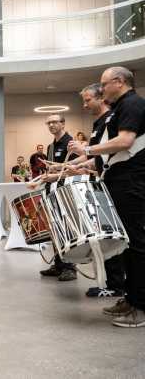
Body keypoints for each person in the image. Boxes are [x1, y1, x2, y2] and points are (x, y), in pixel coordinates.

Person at [69, 67, 145, 328]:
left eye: (104, 85)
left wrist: (86, 148)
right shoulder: (122, 107)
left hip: (132, 183)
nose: (101, 90)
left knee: (136, 245)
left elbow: (125, 142)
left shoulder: (132, 104)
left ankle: (140, 306)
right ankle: (130, 298)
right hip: (120, 180)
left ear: (119, 82)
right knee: (127, 244)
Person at [65, 84, 124, 298]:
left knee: (113, 234)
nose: (85, 104)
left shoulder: (112, 119)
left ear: (101, 98)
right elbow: (96, 157)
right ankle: (112, 282)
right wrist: (78, 165)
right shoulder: (99, 122)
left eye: (88, 99)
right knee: (106, 233)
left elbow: (107, 151)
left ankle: (117, 284)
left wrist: (86, 157)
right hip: (104, 181)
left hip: (118, 183)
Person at [39, 113, 78, 281]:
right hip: (52, 190)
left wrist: (55, 177)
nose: (51, 125)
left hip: (66, 191)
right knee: (55, 228)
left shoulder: (71, 144)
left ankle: (70, 267)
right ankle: (59, 264)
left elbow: (75, 171)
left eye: (55, 122)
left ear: (63, 123)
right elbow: (53, 170)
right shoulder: (51, 147)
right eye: (48, 123)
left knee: (67, 229)